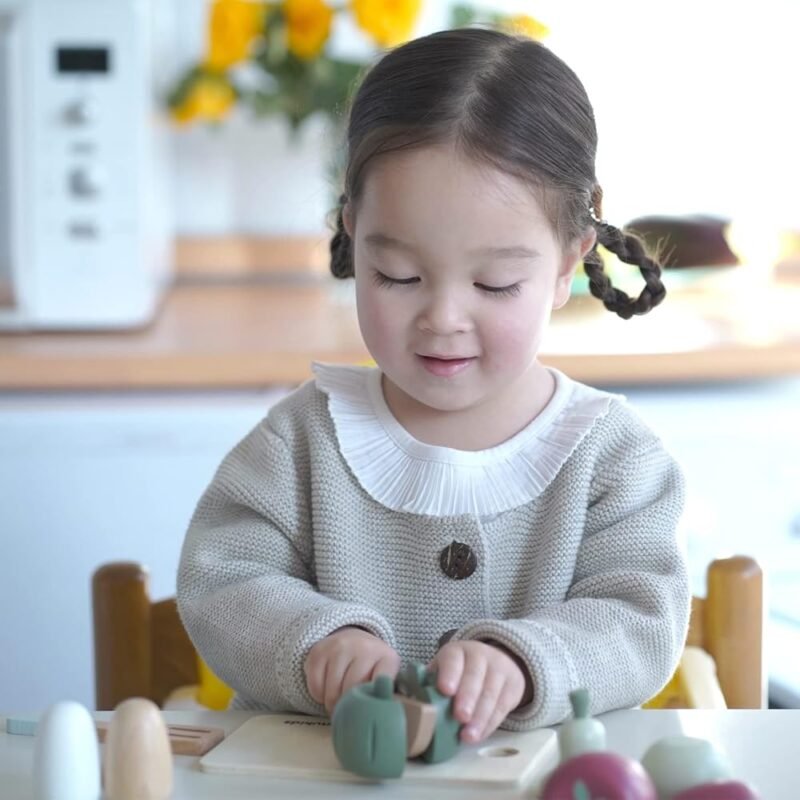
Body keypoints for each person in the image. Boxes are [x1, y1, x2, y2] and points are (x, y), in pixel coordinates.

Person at [177, 27, 689, 745]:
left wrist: (523, 660)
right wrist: (318, 641)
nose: (443, 320)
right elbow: (221, 580)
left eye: (495, 283)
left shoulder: (615, 459)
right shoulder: (301, 441)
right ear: (354, 236)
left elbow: (640, 620)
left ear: (570, 261)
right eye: (399, 277)